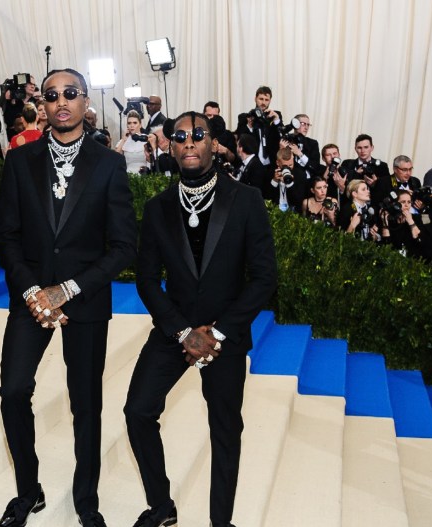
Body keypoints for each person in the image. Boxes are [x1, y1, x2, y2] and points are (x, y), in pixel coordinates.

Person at [0, 67, 137, 527]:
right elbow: (7, 236)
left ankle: (86, 500)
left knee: (86, 402)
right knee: (13, 390)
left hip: (85, 300)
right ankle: (27, 490)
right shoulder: (20, 161)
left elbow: (123, 247)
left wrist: (68, 289)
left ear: (84, 102)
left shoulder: (109, 163)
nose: (60, 101)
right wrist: (34, 290)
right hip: (31, 297)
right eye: (51, 94)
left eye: (70, 93)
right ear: (43, 104)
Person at [124, 111, 277, 527]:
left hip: (225, 334)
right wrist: (182, 331)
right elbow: (146, 279)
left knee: (225, 429)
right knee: (137, 411)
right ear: (170, 146)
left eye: (198, 135)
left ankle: (220, 522)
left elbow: (264, 278)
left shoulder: (245, 200)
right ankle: (161, 506)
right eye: (180, 136)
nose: (189, 142)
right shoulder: (157, 207)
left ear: (213, 144)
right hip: (174, 327)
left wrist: (220, 332)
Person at [236, 86, 283, 167]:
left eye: (266, 100)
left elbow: (282, 135)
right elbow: (240, 138)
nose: (263, 102)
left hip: (271, 163)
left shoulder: (275, 115)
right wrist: (249, 126)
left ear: (270, 101)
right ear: (255, 99)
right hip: (252, 163)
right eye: (261, 99)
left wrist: (277, 120)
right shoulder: (244, 117)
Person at [379, 189, 422, 256]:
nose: (406, 205)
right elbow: (386, 247)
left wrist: (411, 221)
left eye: (409, 202)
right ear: (395, 204)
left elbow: (420, 241)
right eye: (403, 202)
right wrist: (385, 224)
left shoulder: (416, 218)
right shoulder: (390, 220)